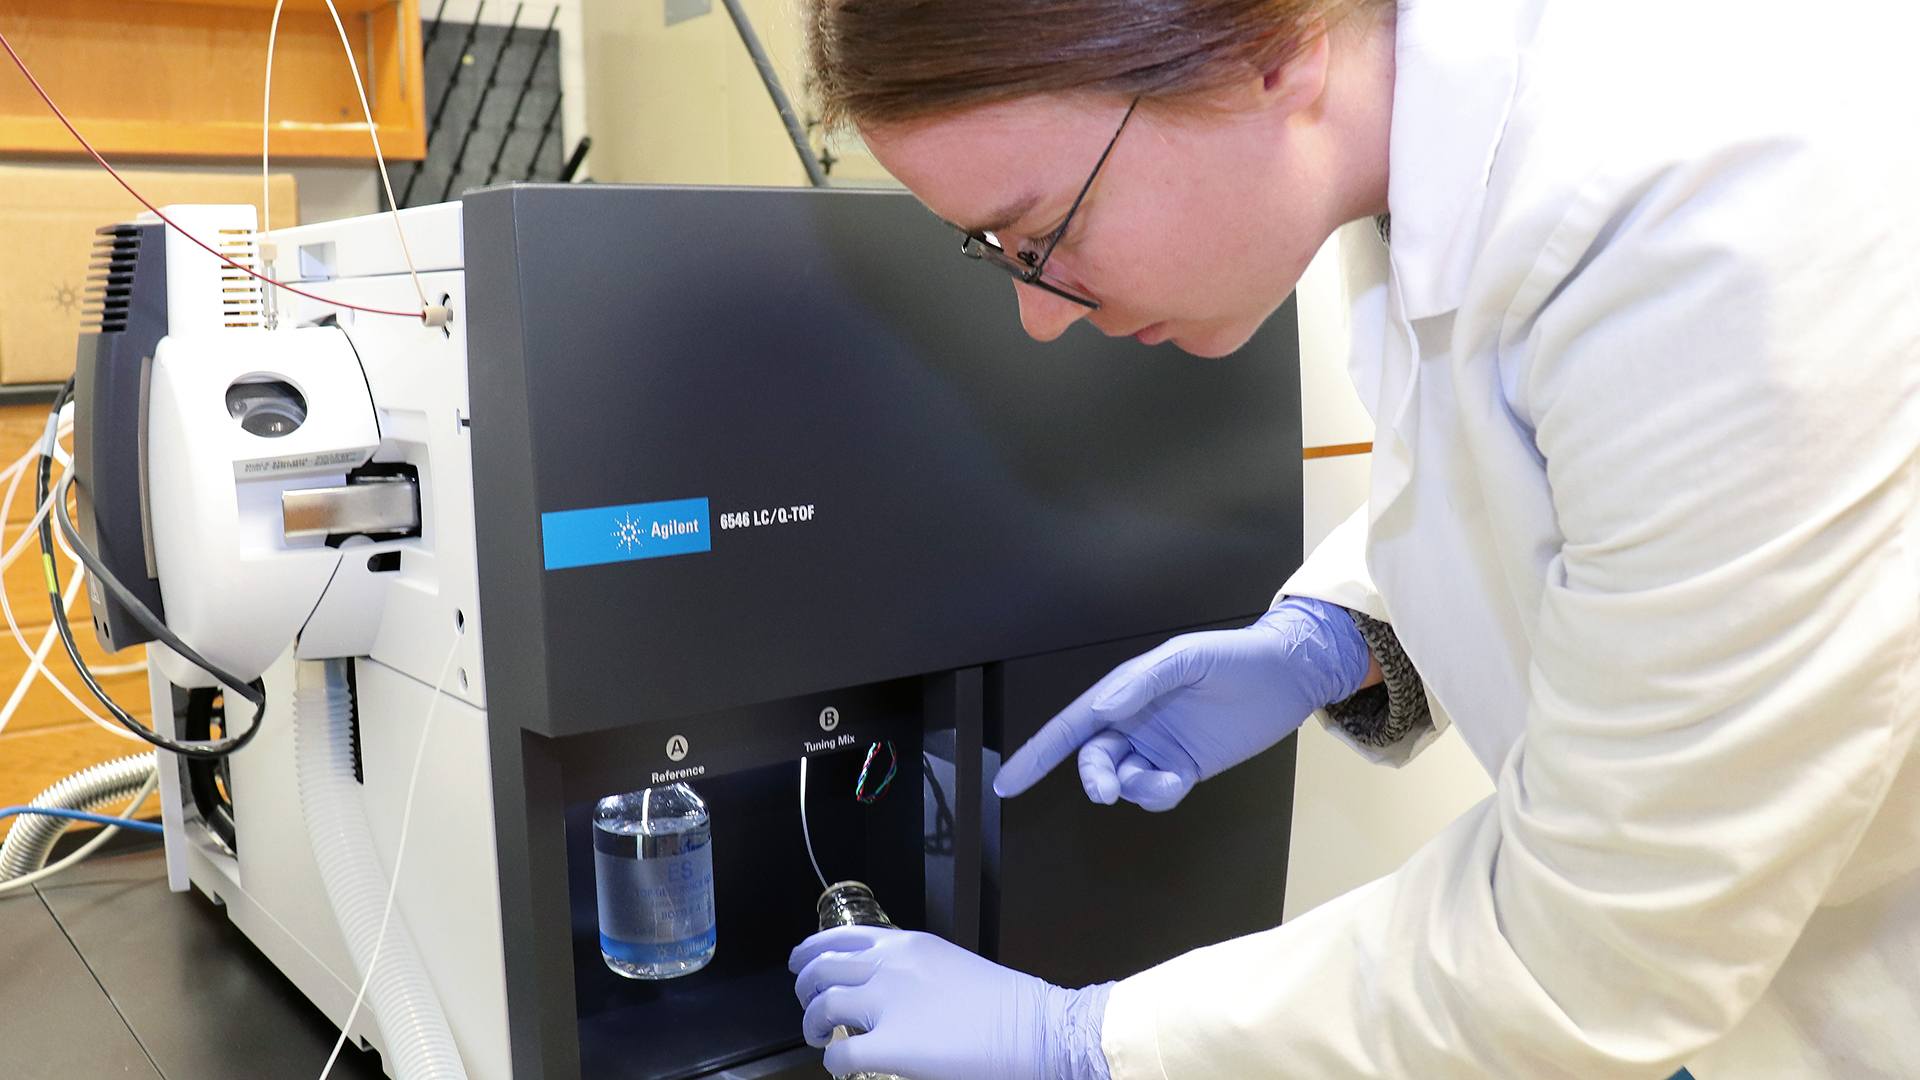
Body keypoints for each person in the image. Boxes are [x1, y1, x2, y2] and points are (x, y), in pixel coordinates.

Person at [786, 0, 1920, 1076]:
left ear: (1268, 53)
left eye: (1047, 232)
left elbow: (1593, 954)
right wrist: (1344, 635)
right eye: (995, 252)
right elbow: (1578, 479)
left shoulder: (1712, 209)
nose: (1040, 316)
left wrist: (1084, 1041)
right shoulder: (1429, 144)